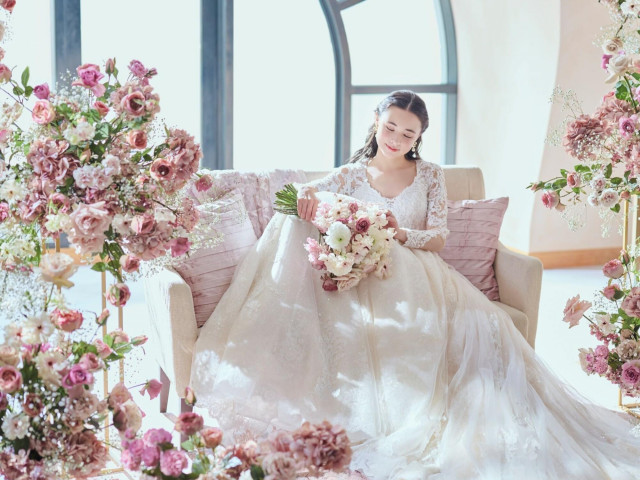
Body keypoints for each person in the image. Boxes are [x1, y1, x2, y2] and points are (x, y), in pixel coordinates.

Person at [190, 91, 640, 479]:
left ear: (419, 137)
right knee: (296, 221)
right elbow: (305, 195)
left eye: (408, 134)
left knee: (448, 334)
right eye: (390, 127)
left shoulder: (429, 174)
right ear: (376, 121)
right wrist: (308, 197)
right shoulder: (351, 174)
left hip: (414, 271)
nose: (396, 139)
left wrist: (395, 233)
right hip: (358, 278)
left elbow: (439, 236)